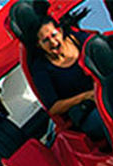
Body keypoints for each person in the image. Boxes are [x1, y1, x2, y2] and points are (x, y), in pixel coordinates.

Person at [14, 10, 104, 140]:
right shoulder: (41, 69)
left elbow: (101, 47)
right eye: (46, 40)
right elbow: (53, 107)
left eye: (54, 35)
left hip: (106, 94)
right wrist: (85, 96)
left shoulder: (77, 39)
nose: (53, 42)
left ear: (60, 31)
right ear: (39, 45)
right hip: (88, 110)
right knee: (105, 119)